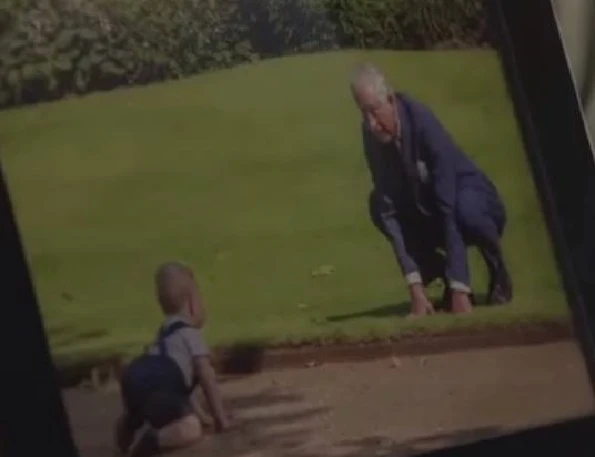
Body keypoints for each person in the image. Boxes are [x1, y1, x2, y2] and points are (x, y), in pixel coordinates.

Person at [350, 62, 513, 317]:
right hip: (427, 204)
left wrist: (461, 291)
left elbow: (446, 206)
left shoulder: (422, 121)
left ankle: (497, 269)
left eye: (374, 111)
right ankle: (442, 271)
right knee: (377, 205)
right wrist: (415, 290)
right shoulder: (371, 134)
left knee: (464, 210)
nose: (371, 123)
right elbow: (388, 210)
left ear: (390, 99)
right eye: (363, 113)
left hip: (470, 199)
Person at [114, 261, 232, 457]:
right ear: (193, 304)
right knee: (190, 428)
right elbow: (205, 376)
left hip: (135, 375)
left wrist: (202, 415)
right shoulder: (191, 335)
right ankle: (151, 442)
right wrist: (220, 419)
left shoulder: (163, 334)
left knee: (138, 411)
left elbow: (183, 390)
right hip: (162, 382)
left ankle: (125, 434)